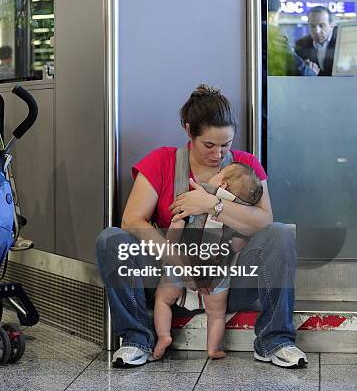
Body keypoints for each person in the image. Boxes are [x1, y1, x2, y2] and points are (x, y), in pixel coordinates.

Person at [96, 84, 307, 369]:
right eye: (209, 145)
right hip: (169, 278)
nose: (219, 154)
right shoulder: (162, 161)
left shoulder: (246, 166)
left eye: (226, 144)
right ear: (188, 131)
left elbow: (263, 221)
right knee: (111, 239)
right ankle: (136, 338)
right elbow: (132, 220)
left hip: (227, 279)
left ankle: (275, 340)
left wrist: (210, 205)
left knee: (280, 233)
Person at [152, 163, 264, 361]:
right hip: (217, 272)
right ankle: (213, 349)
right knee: (216, 314)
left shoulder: (200, 193)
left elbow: (179, 220)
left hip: (183, 261)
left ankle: (163, 337)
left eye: (220, 173)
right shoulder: (241, 210)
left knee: (163, 299)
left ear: (223, 184)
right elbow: (238, 244)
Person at [265, 0, 317, 76]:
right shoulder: (271, 36)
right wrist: (311, 72)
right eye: (278, 15)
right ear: (271, 17)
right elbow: (301, 72)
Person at [295, 6, 337, 76]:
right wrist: (307, 72)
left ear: (331, 25)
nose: (317, 31)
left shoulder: (342, 42)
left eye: (321, 25)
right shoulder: (301, 45)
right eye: (312, 26)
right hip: (312, 85)